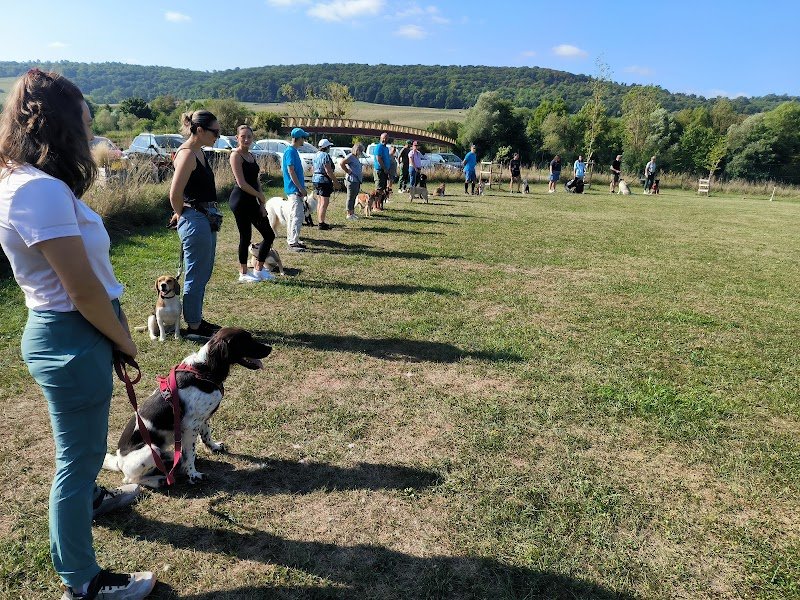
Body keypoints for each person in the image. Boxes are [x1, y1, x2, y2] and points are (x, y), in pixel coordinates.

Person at [0, 69, 155, 600]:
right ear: (59, 125)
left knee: (81, 452)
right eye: (85, 124)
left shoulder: (28, 183)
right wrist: (124, 340)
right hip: (74, 331)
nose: (90, 136)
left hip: (73, 330)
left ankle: (90, 500)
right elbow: (83, 291)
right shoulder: (37, 191)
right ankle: (82, 581)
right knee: (78, 457)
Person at [170, 110, 223, 337]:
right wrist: (183, 213)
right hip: (196, 219)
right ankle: (193, 326)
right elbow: (175, 193)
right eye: (215, 131)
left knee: (203, 272)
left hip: (204, 217)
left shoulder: (198, 152)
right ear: (199, 130)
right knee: (196, 273)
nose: (218, 136)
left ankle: (196, 320)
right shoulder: (187, 154)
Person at [229, 124, 275, 283]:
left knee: (269, 234)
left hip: (253, 200)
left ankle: (259, 270)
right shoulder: (235, 156)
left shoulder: (252, 156)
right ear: (237, 138)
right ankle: (243, 273)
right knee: (245, 236)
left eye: (249, 136)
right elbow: (241, 183)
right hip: (240, 200)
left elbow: (256, 180)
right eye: (243, 136)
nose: (247, 139)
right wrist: (259, 196)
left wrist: (261, 202)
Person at [282, 127, 310, 252]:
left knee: (294, 215)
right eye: (303, 137)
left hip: (295, 189)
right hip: (294, 190)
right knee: (297, 216)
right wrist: (300, 188)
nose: (304, 140)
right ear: (298, 138)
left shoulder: (293, 151)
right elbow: (291, 170)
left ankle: (293, 239)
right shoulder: (290, 152)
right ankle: (292, 243)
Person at [312, 138, 339, 230]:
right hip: (323, 181)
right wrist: (335, 182)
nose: (330, 148)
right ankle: (321, 223)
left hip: (315, 179)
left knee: (320, 201)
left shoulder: (315, 155)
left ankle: (320, 221)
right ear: (326, 147)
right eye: (329, 147)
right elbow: (328, 171)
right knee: (324, 202)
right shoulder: (325, 156)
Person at [340, 143, 364, 220]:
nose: (361, 153)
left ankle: (352, 212)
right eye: (361, 151)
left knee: (354, 197)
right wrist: (347, 171)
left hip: (356, 180)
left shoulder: (356, 157)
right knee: (350, 197)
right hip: (351, 180)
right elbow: (342, 163)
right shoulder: (350, 156)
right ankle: (348, 214)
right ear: (357, 150)